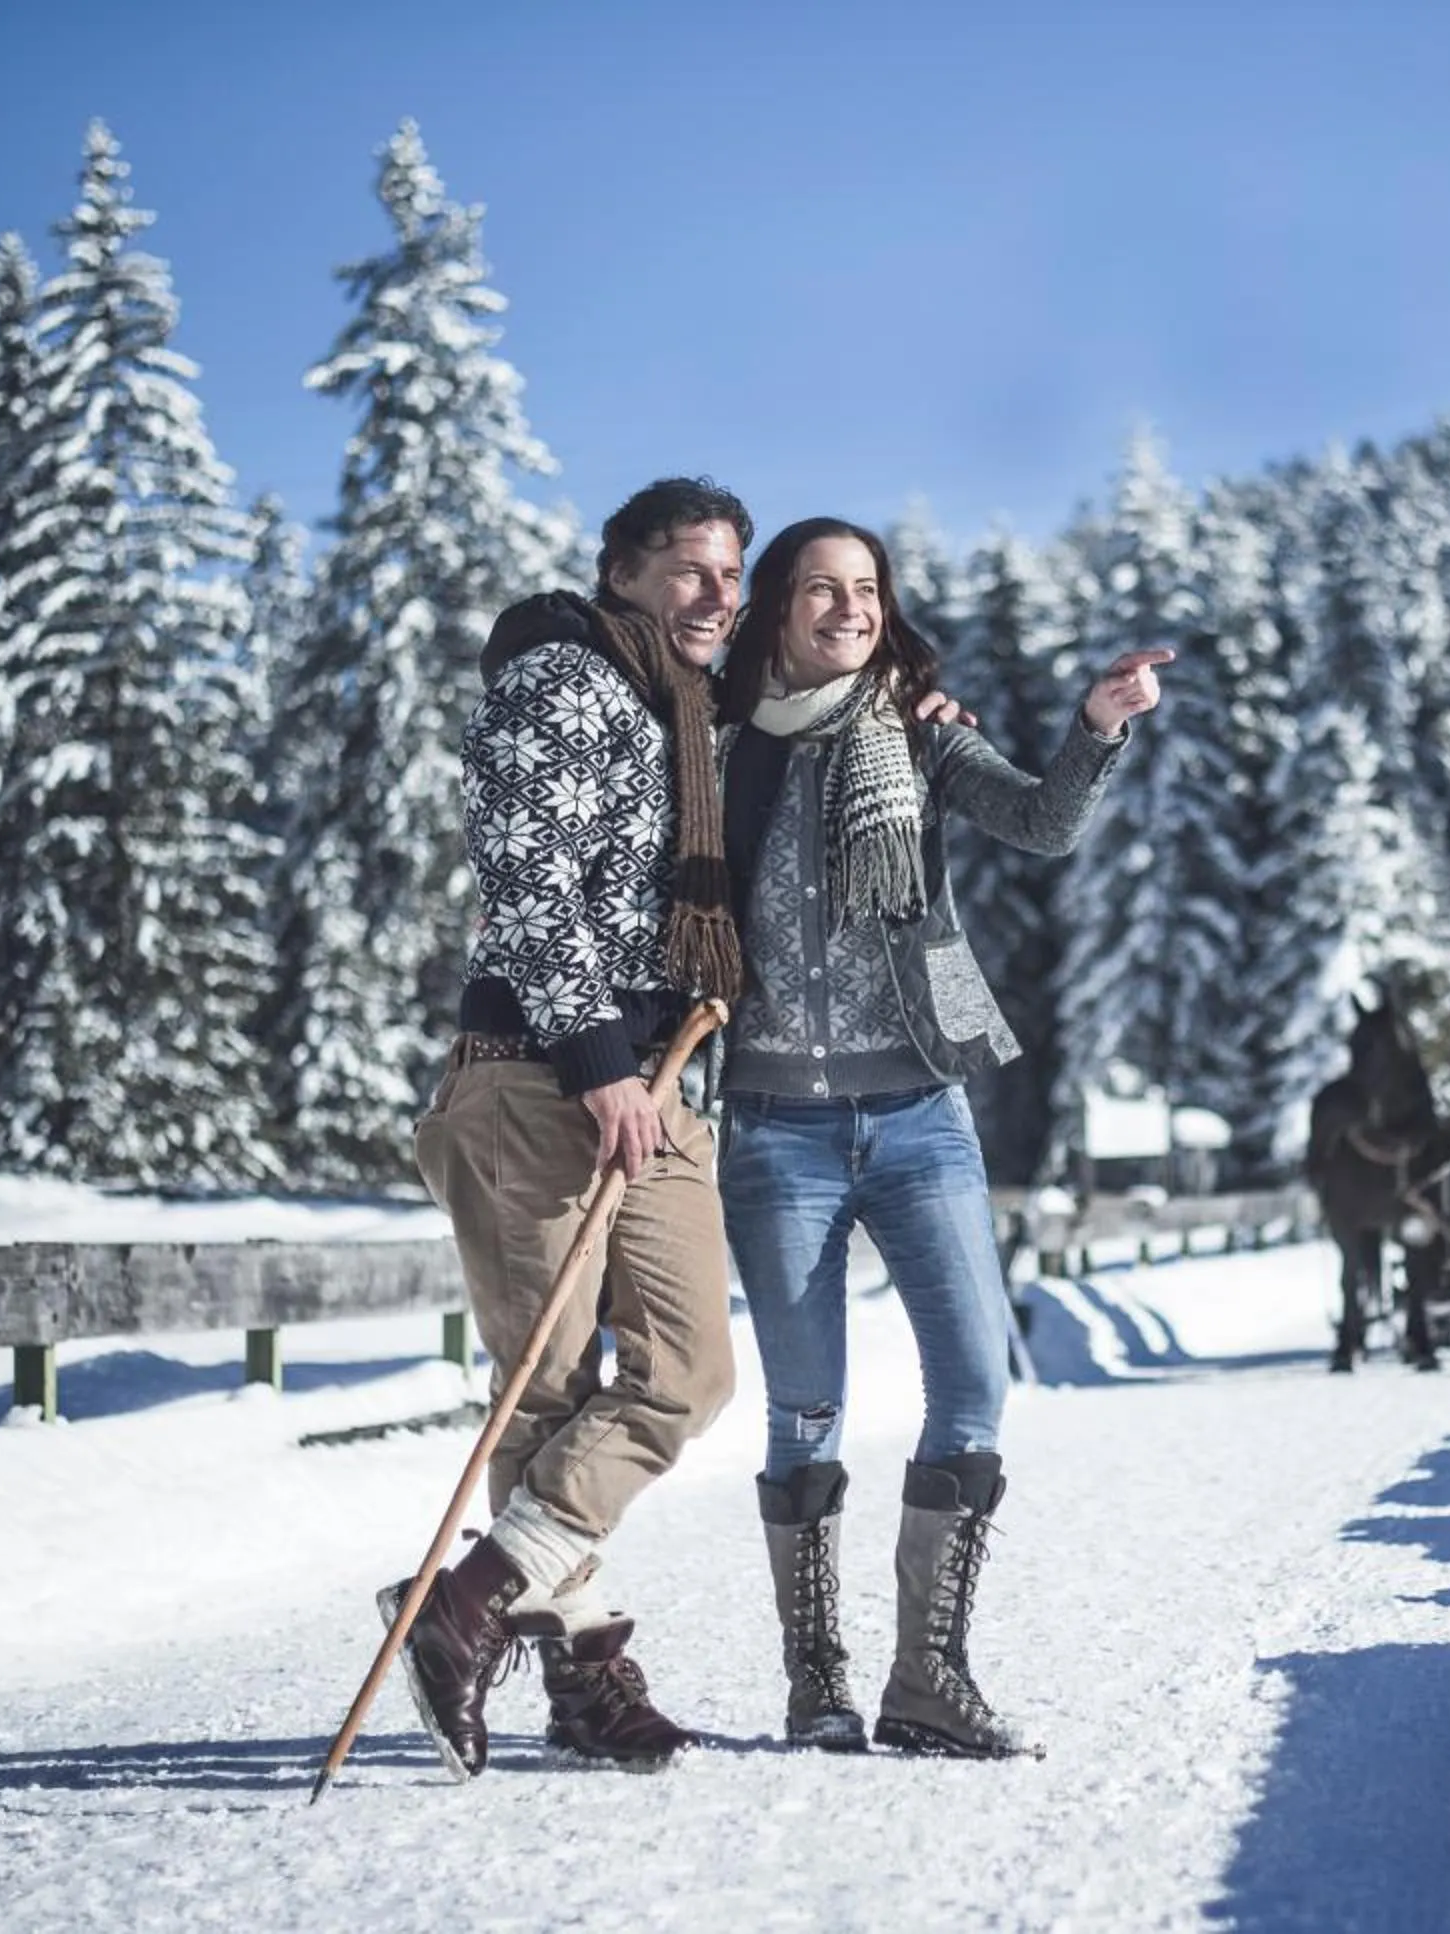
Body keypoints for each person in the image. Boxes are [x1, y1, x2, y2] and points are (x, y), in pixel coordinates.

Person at [714, 516, 1167, 1758]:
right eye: (821, 588)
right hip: (773, 1126)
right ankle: (817, 1685)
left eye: (866, 589)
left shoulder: (917, 730)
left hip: (922, 1108)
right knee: (804, 1410)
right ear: (777, 606)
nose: (848, 608)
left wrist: (1096, 729)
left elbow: (1041, 824)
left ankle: (929, 1676)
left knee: (975, 1380)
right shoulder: (717, 739)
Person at [381, 478, 756, 1780]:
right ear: (623, 569)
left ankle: (472, 1596)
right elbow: (527, 882)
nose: (718, 595)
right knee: (544, 1390)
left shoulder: (685, 710)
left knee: (689, 1369)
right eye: (691, 570)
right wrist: (598, 1062)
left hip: (651, 1072)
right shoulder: (566, 678)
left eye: (731, 574)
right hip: (538, 1074)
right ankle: (587, 1673)